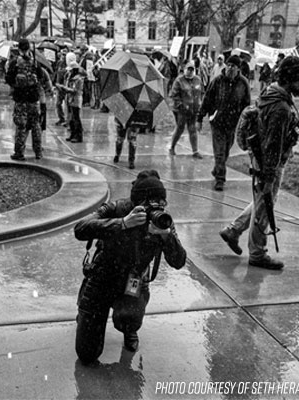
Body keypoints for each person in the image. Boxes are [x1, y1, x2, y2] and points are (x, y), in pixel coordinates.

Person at [73, 170, 187, 364]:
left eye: (159, 203)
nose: (154, 209)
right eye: (148, 204)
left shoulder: (162, 220)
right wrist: (122, 224)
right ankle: (86, 318)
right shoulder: (117, 208)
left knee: (130, 318)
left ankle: (129, 328)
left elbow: (179, 261)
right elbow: (80, 228)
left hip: (133, 282)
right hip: (103, 277)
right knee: (87, 354)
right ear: (136, 203)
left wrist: (166, 236)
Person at [219, 56, 299, 270]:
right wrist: (269, 176)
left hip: (261, 159)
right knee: (265, 205)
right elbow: (272, 145)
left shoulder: (271, 93)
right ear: (291, 78)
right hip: (269, 164)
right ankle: (257, 253)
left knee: (262, 201)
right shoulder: (280, 108)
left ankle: (233, 230)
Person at [197, 55, 250, 191]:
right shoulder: (217, 81)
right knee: (219, 151)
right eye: (229, 65)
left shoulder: (243, 83)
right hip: (218, 122)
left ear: (238, 68)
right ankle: (220, 179)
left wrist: (247, 122)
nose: (230, 68)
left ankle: (217, 169)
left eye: (233, 66)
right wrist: (200, 118)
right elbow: (207, 99)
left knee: (226, 151)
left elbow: (247, 104)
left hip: (233, 124)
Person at [5, 38, 46, 160]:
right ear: (28, 48)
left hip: (21, 99)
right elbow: (40, 76)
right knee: (36, 125)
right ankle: (38, 152)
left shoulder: (15, 62)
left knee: (21, 126)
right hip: (33, 98)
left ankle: (19, 152)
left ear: (19, 49)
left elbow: (8, 78)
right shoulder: (35, 62)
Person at [169, 60, 204, 159]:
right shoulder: (179, 80)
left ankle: (195, 151)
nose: (190, 71)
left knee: (192, 129)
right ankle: (172, 147)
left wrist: (200, 103)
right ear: (185, 69)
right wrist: (180, 105)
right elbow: (174, 94)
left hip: (194, 109)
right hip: (181, 110)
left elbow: (202, 92)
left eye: (192, 69)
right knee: (180, 128)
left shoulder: (198, 80)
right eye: (188, 69)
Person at [60, 60, 85, 143]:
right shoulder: (70, 77)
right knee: (71, 118)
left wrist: (65, 88)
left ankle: (78, 136)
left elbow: (75, 90)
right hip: (70, 99)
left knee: (76, 118)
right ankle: (73, 134)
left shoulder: (78, 79)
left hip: (76, 99)